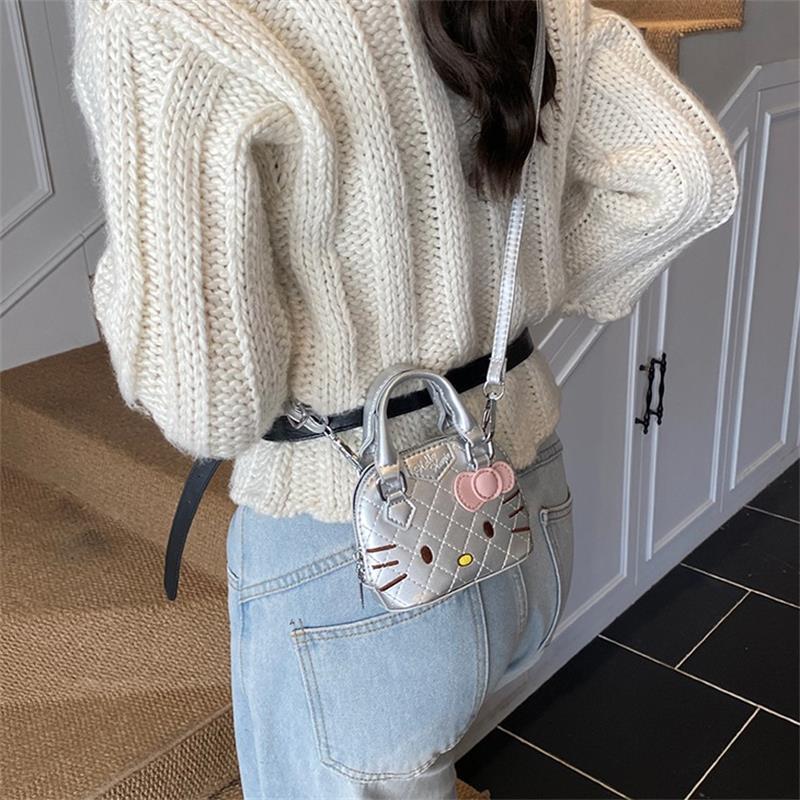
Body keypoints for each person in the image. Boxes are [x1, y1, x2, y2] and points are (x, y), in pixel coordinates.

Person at [70, 0, 739, 797]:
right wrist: (529, 299)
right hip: (524, 506)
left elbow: (211, 405)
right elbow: (685, 178)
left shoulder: (159, 17)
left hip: (356, 549)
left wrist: (120, 293)